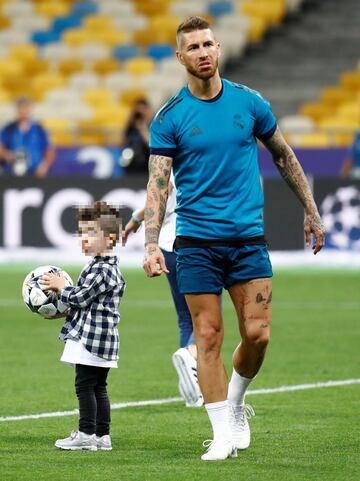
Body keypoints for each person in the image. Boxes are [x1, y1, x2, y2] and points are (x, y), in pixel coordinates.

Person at [142, 16, 326, 461]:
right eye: (194, 47)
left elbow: (283, 155)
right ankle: (221, 433)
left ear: (219, 48)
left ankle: (237, 402)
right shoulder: (170, 117)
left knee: (257, 335)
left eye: (209, 44)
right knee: (207, 337)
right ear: (181, 56)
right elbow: (158, 184)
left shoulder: (250, 103)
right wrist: (151, 242)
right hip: (197, 243)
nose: (203, 52)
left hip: (247, 241)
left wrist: (311, 209)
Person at [39, 201, 125, 451]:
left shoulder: (102, 269)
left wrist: (60, 286)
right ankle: (102, 436)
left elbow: (80, 297)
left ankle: (87, 433)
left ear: (109, 238)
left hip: (92, 337)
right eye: (82, 233)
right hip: (99, 336)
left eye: (90, 234)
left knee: (84, 385)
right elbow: (86, 302)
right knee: (98, 386)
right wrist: (63, 311)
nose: (83, 239)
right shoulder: (102, 266)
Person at [122, 174, 203, 407]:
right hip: (194, 243)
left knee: (186, 317)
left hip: (168, 245)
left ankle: (193, 384)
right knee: (207, 315)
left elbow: (160, 195)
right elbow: (163, 192)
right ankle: (191, 358)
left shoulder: (171, 159)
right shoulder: (199, 159)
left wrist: (138, 217)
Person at [0, 96, 54, 177]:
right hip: (14, 173)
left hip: (36, 173)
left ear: (30, 109)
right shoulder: (9, 129)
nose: (23, 111)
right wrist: (8, 155)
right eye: (21, 108)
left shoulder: (39, 129)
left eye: (25, 108)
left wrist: (44, 166)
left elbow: (49, 150)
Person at [120, 98, 152, 173]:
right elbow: (122, 141)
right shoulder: (131, 126)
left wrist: (142, 128)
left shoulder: (153, 125)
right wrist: (130, 121)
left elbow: (151, 144)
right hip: (131, 162)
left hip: (146, 163)